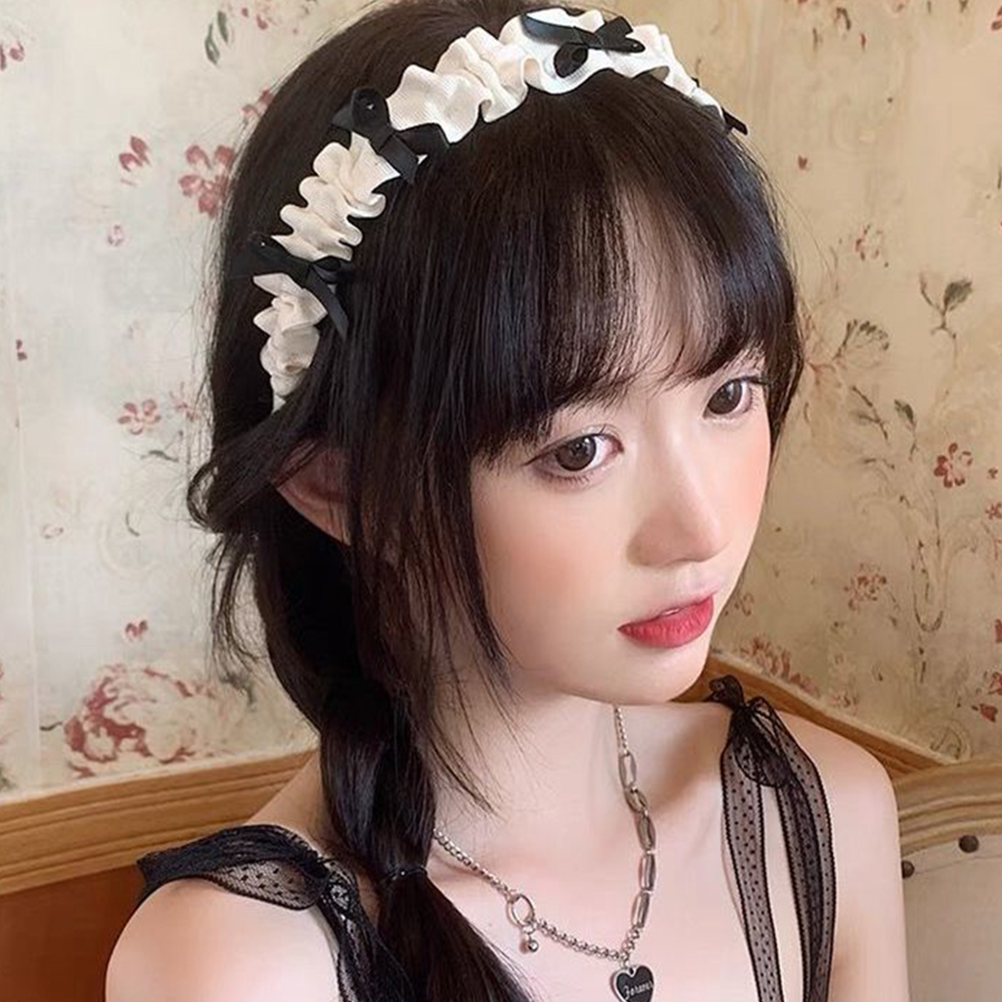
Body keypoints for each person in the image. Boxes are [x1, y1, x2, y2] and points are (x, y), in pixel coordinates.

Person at [105, 1, 911, 1000]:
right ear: (337, 485)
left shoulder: (820, 813)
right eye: (579, 449)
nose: (701, 527)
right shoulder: (244, 967)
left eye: (729, 395)